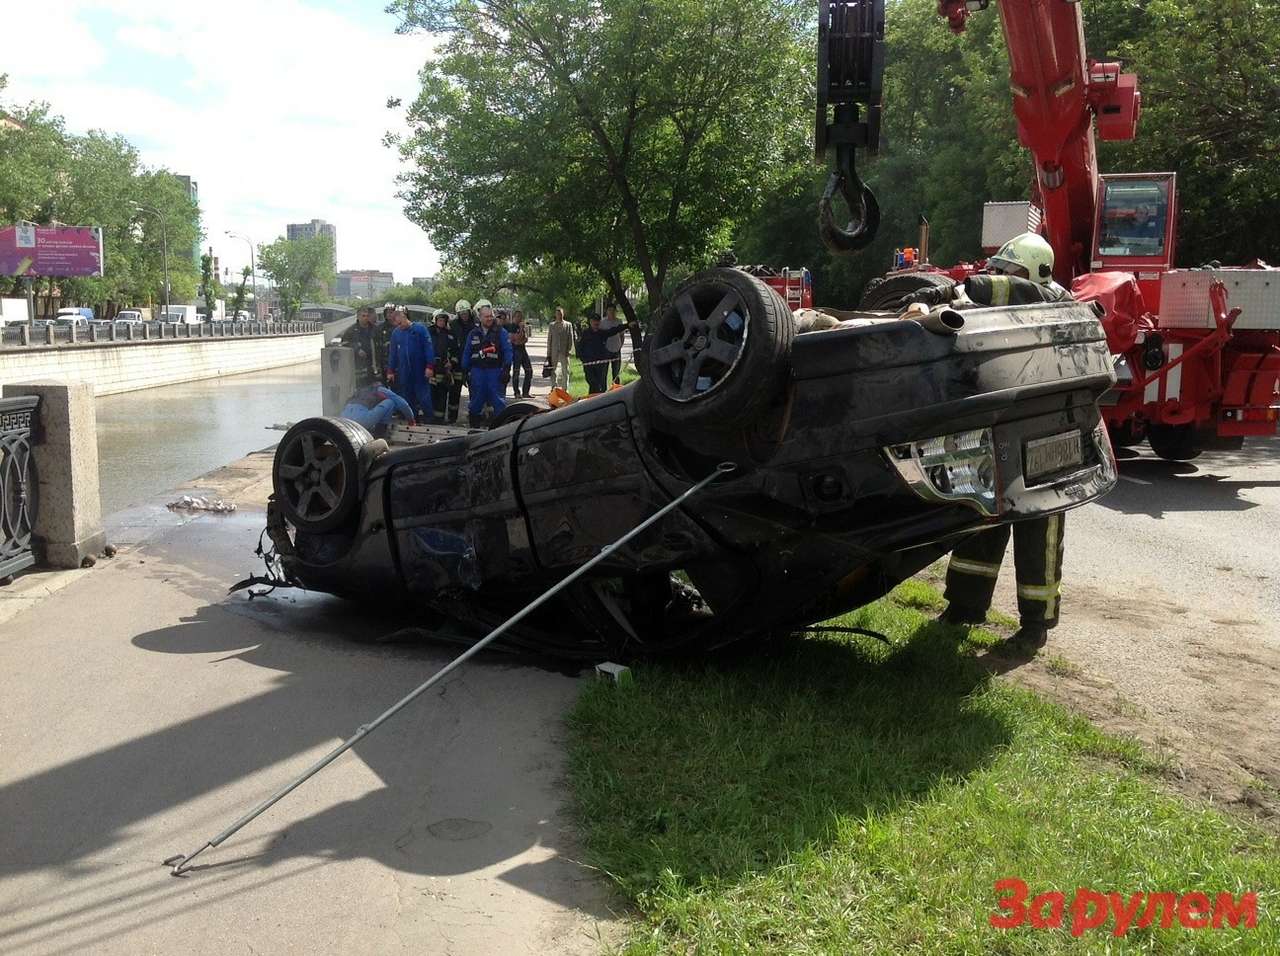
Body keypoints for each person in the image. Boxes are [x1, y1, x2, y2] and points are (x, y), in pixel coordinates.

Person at [926, 233, 1072, 654]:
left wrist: (961, 284)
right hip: (999, 430)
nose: (998, 277)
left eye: (1007, 270)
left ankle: (1035, 626)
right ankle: (964, 607)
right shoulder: (1008, 307)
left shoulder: (1054, 301)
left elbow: (1008, 289)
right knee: (979, 518)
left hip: (1046, 440)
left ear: (1033, 272)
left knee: (1038, 535)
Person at [460, 300, 512, 427]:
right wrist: (464, 371)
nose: (489, 319)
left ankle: (500, 431)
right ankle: (474, 430)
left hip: (495, 372)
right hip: (477, 372)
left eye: (491, 316)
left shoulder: (501, 332)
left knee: (498, 402)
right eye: (486, 316)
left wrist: (506, 369)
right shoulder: (473, 334)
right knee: (475, 403)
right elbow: (467, 353)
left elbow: (508, 352)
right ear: (480, 317)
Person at [386, 306, 434, 421]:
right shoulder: (396, 333)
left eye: (400, 323)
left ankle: (429, 418)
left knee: (424, 397)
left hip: (420, 369)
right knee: (407, 397)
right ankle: (413, 419)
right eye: (397, 325)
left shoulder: (420, 329)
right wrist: (390, 370)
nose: (399, 326)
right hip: (404, 371)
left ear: (404, 316)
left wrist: (430, 366)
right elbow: (393, 353)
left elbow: (428, 347)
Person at [339, 383, 414, 438]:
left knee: (366, 413)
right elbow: (403, 404)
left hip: (344, 421)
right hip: (361, 421)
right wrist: (411, 419)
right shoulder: (380, 389)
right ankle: (380, 433)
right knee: (390, 402)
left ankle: (369, 429)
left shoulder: (361, 391)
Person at [427, 309, 459, 422]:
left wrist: (452, 363)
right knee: (430, 395)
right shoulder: (428, 333)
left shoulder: (450, 335)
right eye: (439, 320)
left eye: (443, 320)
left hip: (444, 370)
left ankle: (439, 419)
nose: (441, 322)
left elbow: (456, 352)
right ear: (434, 320)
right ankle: (430, 418)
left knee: (442, 395)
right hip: (431, 369)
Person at [448, 300, 477, 423]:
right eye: (461, 313)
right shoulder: (453, 325)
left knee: (474, 392)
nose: (464, 315)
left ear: (469, 312)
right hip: (457, 363)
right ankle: (452, 418)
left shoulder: (475, 324)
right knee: (454, 392)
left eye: (465, 313)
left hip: (472, 364)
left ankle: (473, 417)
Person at [576, 312, 613, 394]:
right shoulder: (585, 333)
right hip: (588, 363)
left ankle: (597, 401)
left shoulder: (602, 333)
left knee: (600, 383)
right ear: (590, 322)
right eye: (594, 321)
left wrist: (627, 325)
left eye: (598, 321)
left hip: (600, 364)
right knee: (592, 382)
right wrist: (582, 359)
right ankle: (592, 400)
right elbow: (579, 346)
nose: (596, 323)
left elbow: (613, 331)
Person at [547, 306, 576, 390]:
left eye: (560, 314)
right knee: (553, 370)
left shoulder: (568, 325)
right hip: (554, 351)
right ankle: (553, 387)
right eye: (557, 314)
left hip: (565, 351)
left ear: (563, 314)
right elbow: (549, 340)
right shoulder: (552, 325)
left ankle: (565, 389)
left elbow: (571, 338)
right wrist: (548, 353)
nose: (559, 315)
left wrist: (569, 350)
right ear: (555, 315)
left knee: (565, 370)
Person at [508, 309, 534, 397]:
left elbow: (526, 338)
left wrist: (522, 330)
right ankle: (517, 392)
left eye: (521, 317)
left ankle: (525, 392)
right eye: (518, 316)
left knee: (529, 371)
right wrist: (520, 333)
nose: (520, 318)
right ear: (514, 317)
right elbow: (515, 339)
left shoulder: (521, 326)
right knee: (516, 372)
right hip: (515, 351)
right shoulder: (512, 326)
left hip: (523, 350)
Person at [599, 304, 625, 385]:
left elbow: (622, 335)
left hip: (616, 350)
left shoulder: (619, 322)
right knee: (603, 372)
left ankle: (616, 390)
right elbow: (600, 336)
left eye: (613, 311)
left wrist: (620, 345)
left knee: (616, 373)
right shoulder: (602, 322)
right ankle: (603, 390)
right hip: (606, 350)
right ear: (607, 312)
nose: (612, 312)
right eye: (610, 310)